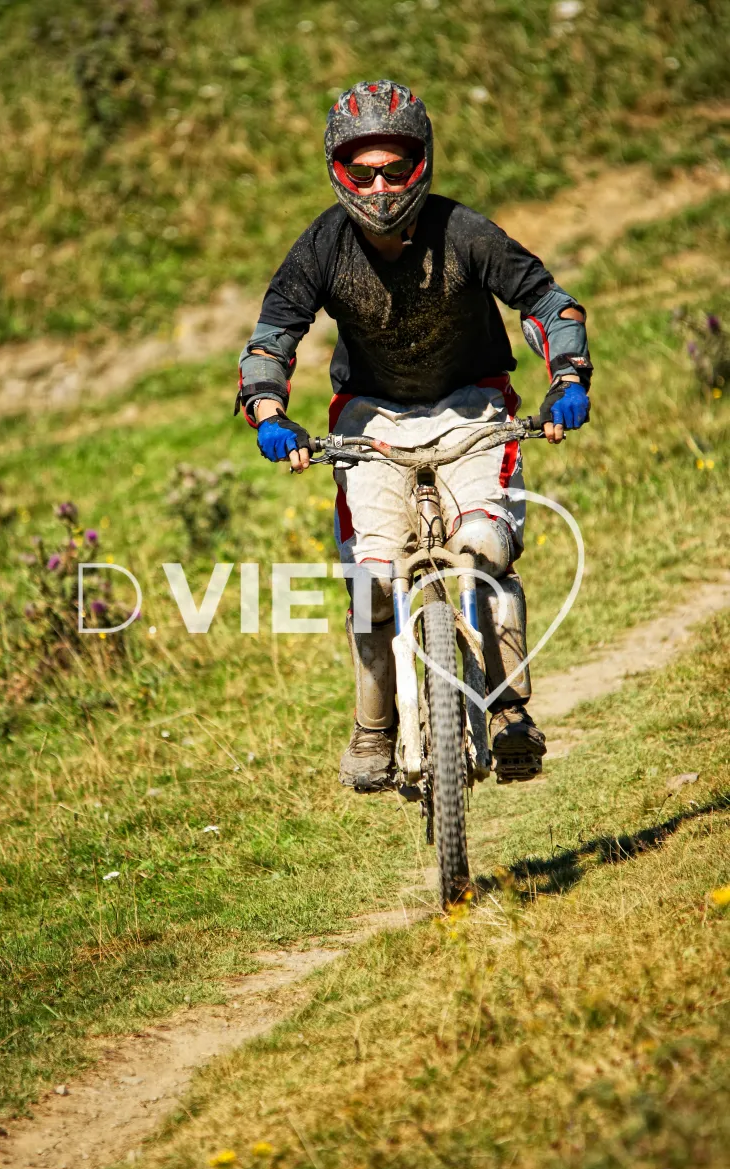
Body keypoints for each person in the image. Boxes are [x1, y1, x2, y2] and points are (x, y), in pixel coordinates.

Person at [235, 79, 592, 790]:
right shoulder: (322, 248)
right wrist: (270, 414)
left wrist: (570, 378)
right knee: (370, 578)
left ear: (421, 164)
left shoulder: (465, 233)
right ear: (337, 169)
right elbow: (272, 339)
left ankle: (511, 712)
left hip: (474, 409)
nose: (379, 186)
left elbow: (547, 303)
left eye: (394, 169)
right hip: (370, 422)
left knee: (485, 548)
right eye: (362, 170)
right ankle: (374, 726)